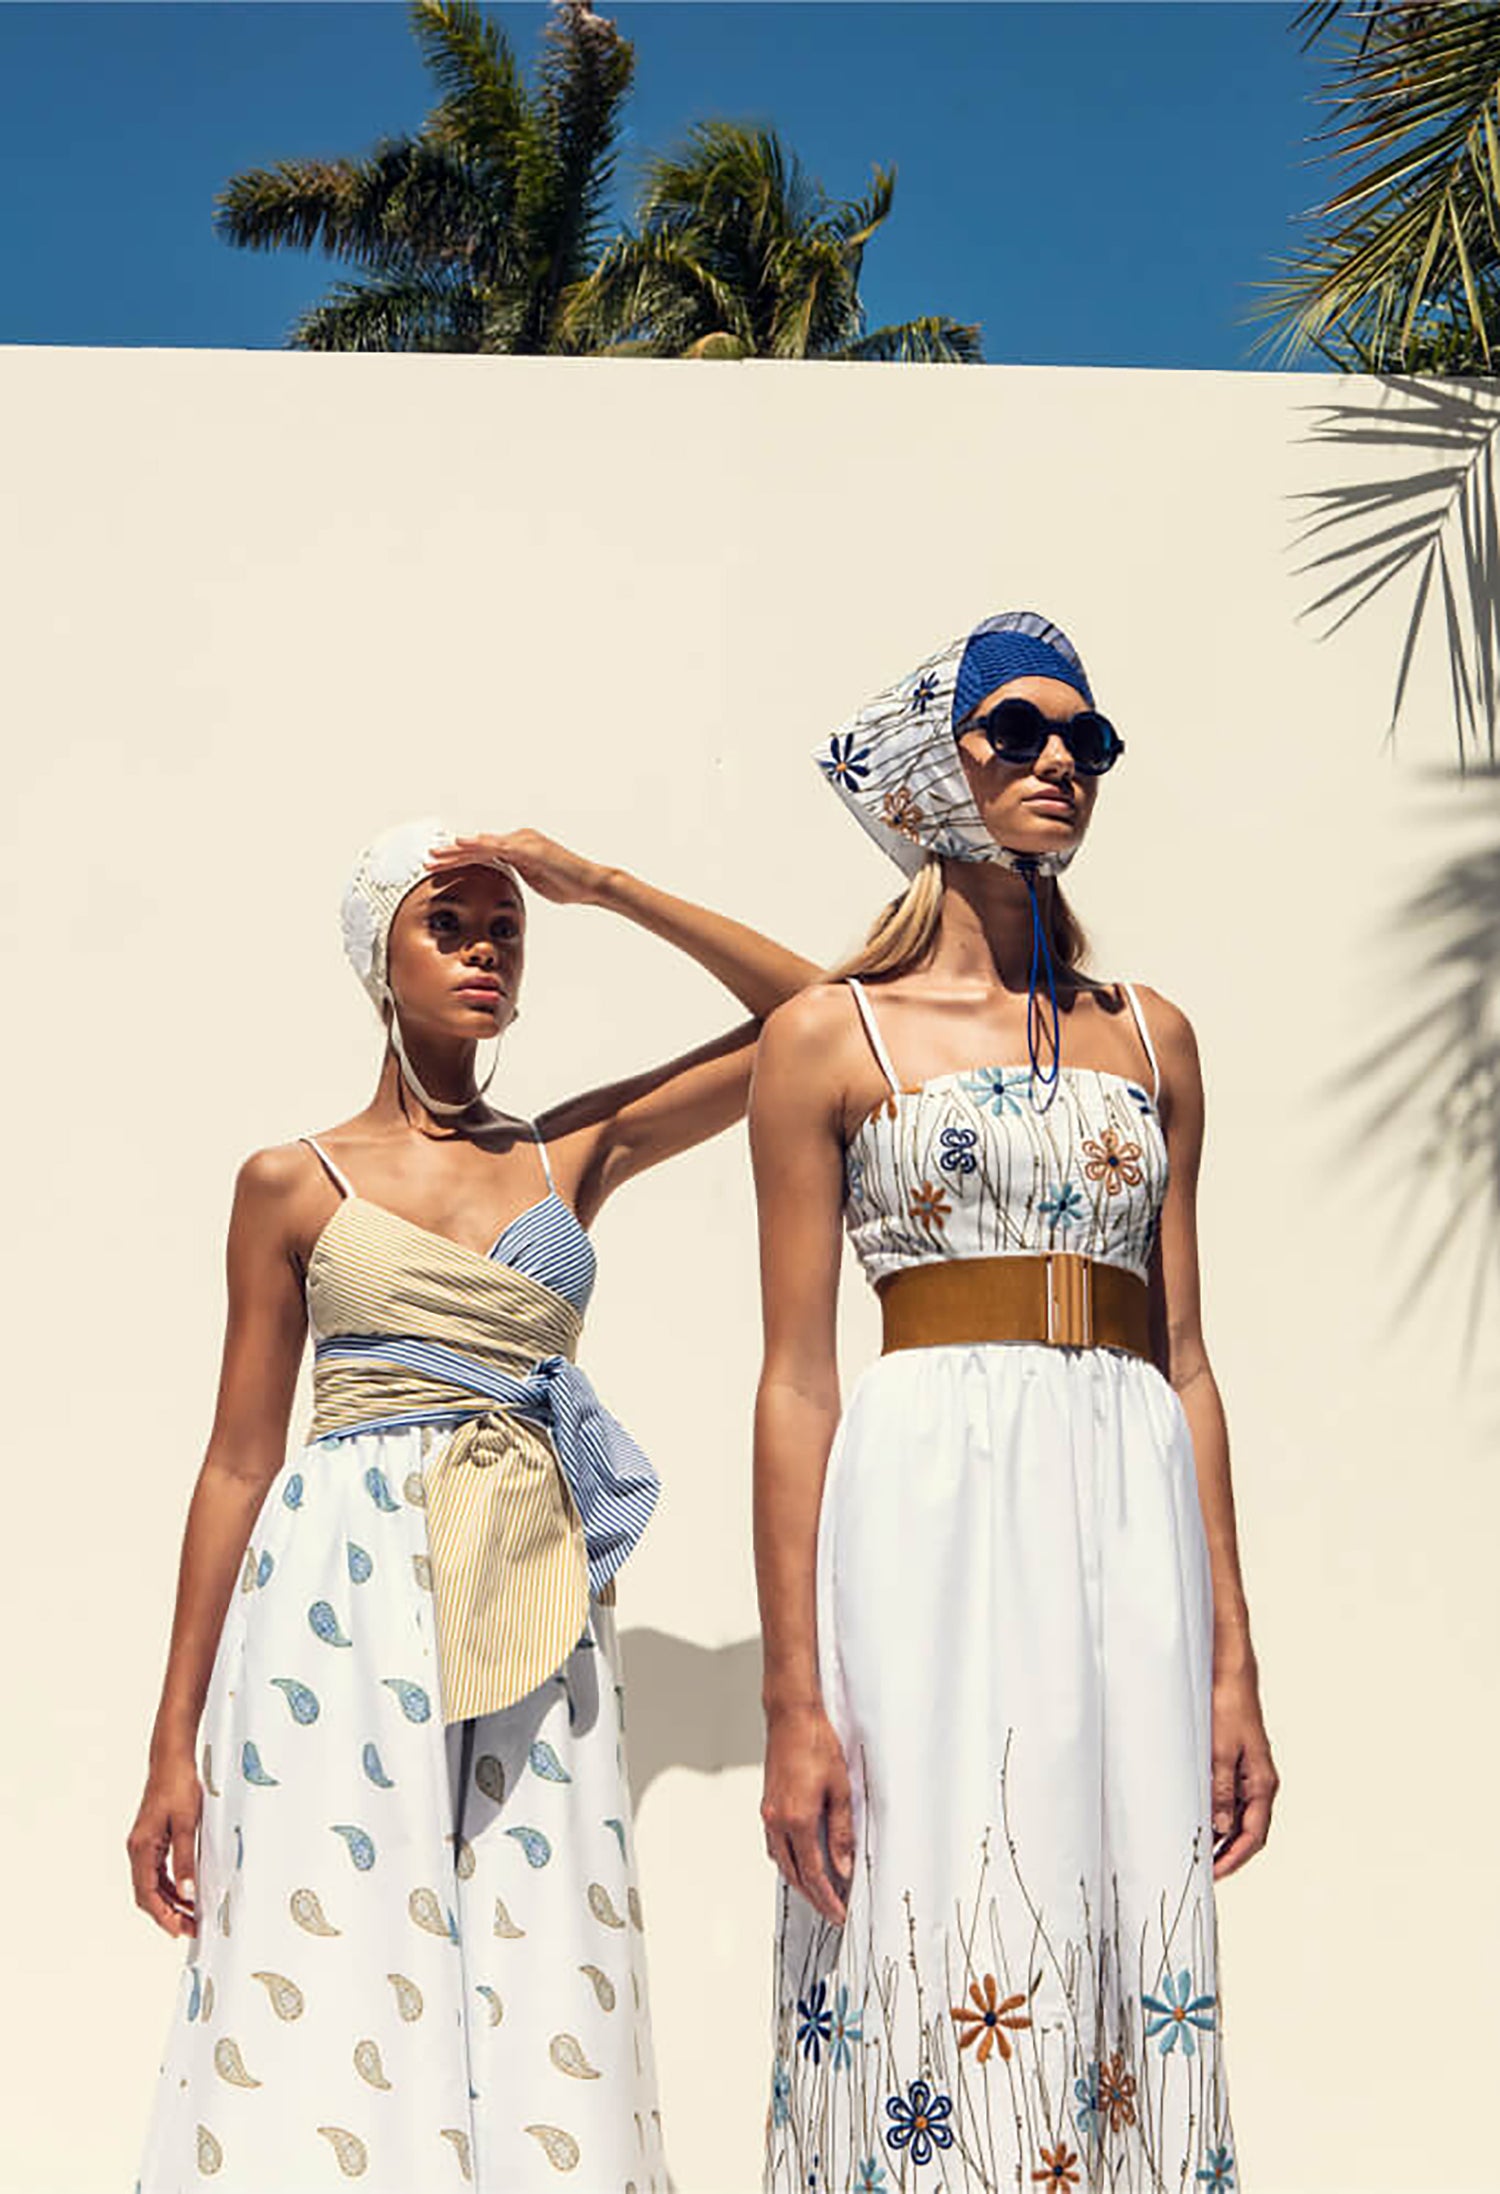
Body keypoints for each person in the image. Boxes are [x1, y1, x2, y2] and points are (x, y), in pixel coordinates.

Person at [129, 817, 818, 2194]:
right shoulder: (290, 1182)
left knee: (539, 1927)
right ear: (378, 954)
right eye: (453, 923)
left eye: (508, 927)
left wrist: (606, 886)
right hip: (343, 1586)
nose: (489, 947)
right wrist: (172, 1743)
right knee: (332, 1942)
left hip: (529, 1568)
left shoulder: (573, 1151)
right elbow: (235, 1460)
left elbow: (812, 1021)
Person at [751, 612, 1277, 2193]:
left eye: (1090, 741)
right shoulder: (824, 1040)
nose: (1064, 761)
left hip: (1124, 1508)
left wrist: (1235, 1661)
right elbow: (792, 1376)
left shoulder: (1151, 1034)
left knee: (1117, 1911)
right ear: (936, 760)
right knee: (932, 1890)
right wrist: (791, 1698)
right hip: (924, 1508)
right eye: (1022, 733)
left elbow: (1188, 1357)